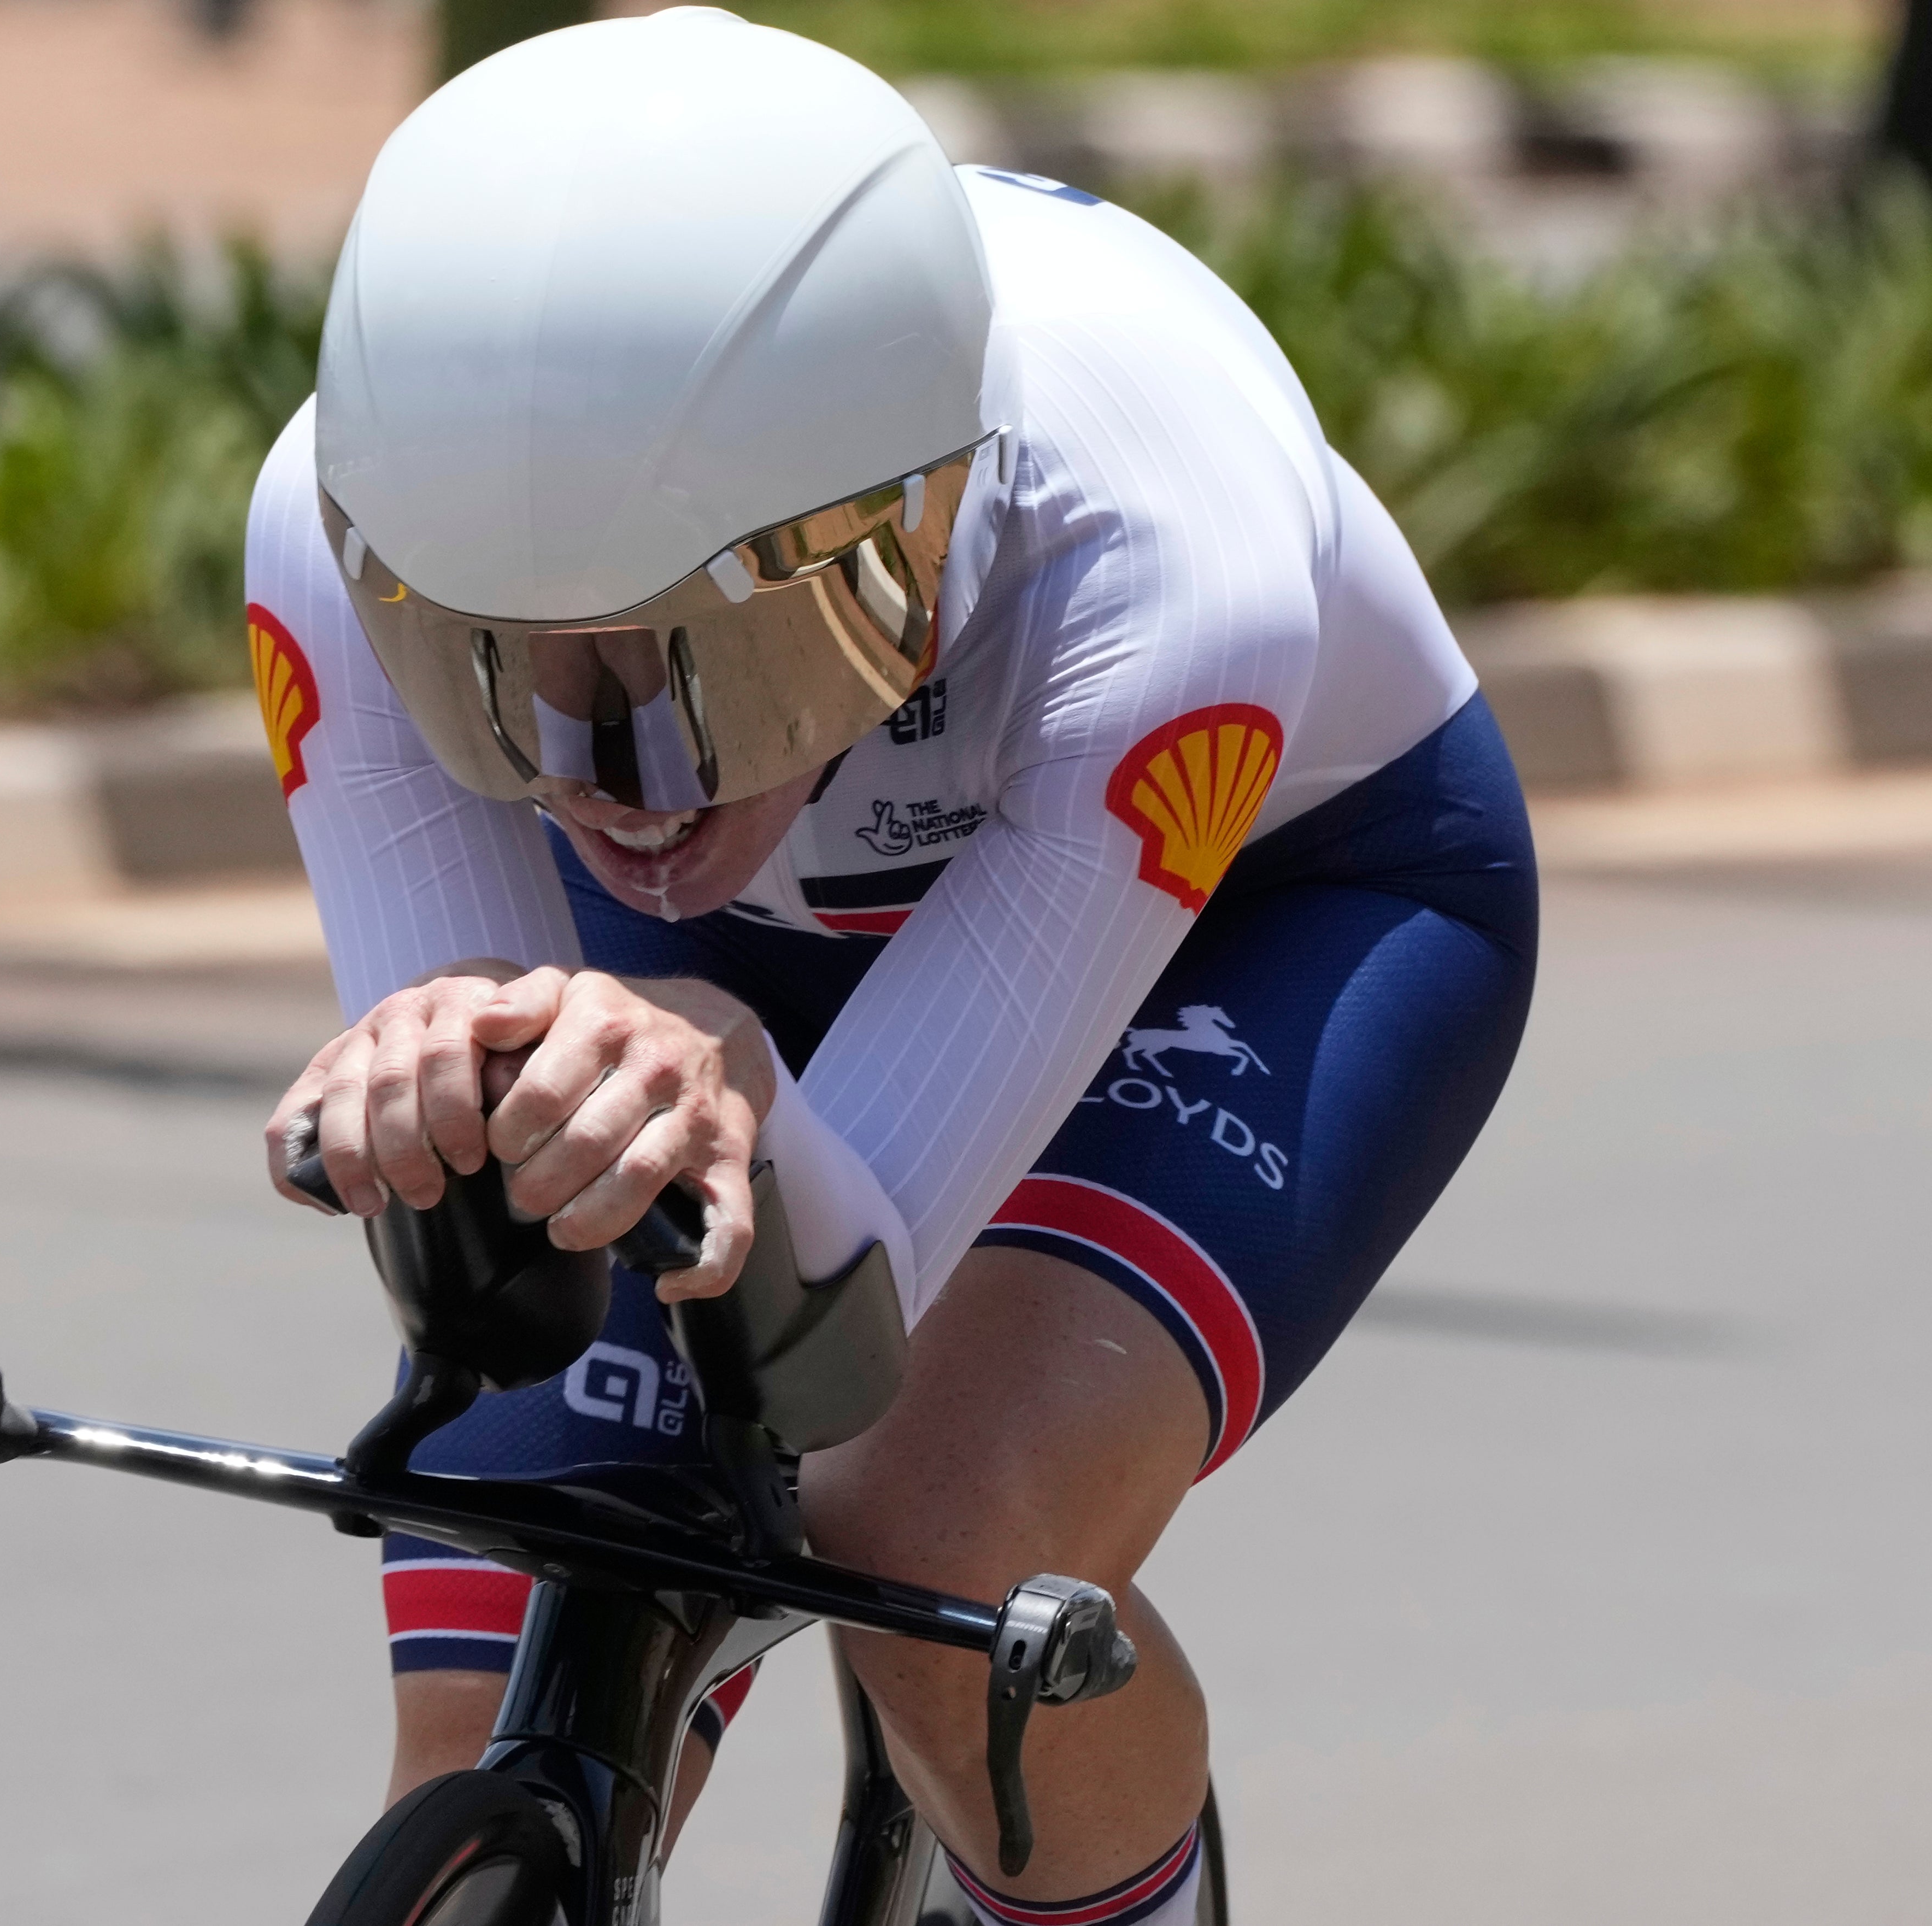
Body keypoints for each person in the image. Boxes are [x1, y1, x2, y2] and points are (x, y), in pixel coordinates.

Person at [246, 11, 1536, 1923]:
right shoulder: (338, 528)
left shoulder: (1163, 544)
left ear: (919, 529)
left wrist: (724, 1083)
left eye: (720, 666)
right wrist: (450, 1082)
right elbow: (501, 1264)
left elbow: (844, 1288)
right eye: (497, 678)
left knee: (937, 1526)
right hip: (727, 973)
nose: (621, 793)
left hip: (1269, 900)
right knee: (495, 1654)